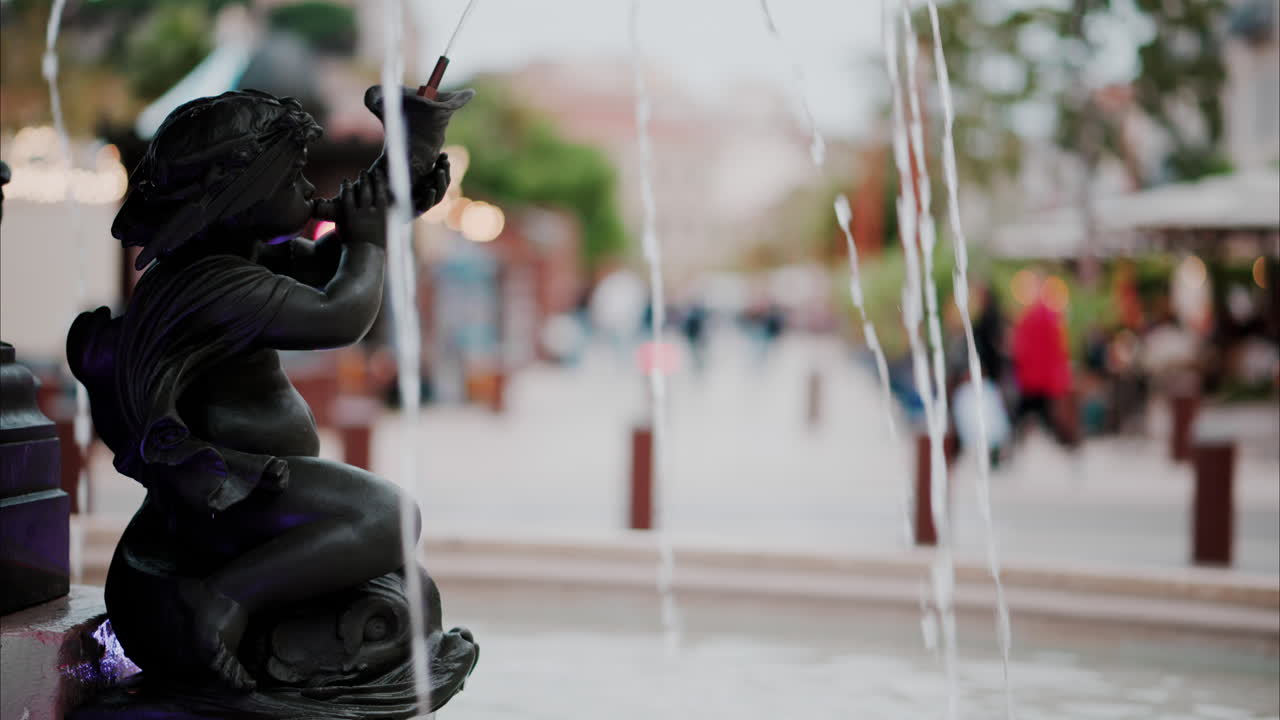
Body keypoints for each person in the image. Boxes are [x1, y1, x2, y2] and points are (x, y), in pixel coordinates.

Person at [66, 90, 451, 690]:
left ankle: (274, 636)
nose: (307, 186)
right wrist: (371, 240)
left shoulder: (237, 257)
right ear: (242, 192)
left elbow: (333, 262)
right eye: (292, 173)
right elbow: (341, 314)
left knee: (407, 587)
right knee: (388, 516)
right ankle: (221, 600)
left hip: (250, 497)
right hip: (227, 500)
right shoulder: (216, 287)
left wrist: (409, 151)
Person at [1010, 276, 1077, 446]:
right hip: (1045, 377)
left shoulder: (1030, 317)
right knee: (1046, 414)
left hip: (1034, 377)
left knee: (1032, 414)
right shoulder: (1051, 316)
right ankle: (1066, 445)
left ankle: (1013, 446)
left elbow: (1021, 348)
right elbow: (1060, 348)